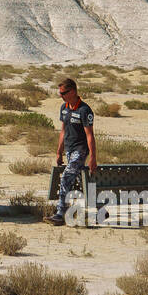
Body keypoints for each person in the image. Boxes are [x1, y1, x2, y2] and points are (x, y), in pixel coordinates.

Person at [47, 78, 95, 226]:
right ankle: (97, 208)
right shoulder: (64, 108)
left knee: (66, 178)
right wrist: (59, 151)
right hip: (68, 148)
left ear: (73, 91)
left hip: (80, 150)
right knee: (81, 180)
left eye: (64, 93)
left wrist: (93, 157)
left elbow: (90, 135)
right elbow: (63, 130)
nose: (61, 96)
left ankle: (60, 213)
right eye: (60, 93)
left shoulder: (84, 110)